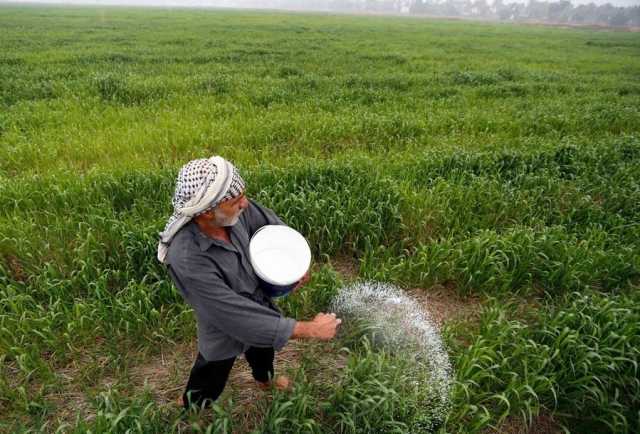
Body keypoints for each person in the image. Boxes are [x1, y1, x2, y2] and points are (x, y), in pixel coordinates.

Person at [157, 156, 342, 410]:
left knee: (263, 349)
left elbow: (269, 224)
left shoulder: (233, 212)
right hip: (222, 322)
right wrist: (309, 329)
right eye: (236, 200)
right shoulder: (188, 256)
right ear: (207, 212)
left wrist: (295, 265)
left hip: (259, 303)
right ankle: (194, 407)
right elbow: (234, 316)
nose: (245, 203)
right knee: (212, 368)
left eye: (243, 194)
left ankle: (265, 380)